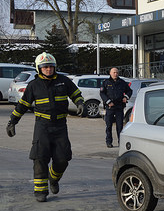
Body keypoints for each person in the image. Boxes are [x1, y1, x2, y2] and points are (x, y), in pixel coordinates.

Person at [5, 52, 84, 202]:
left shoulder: (63, 80)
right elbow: (22, 105)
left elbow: (76, 94)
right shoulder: (33, 86)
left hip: (60, 126)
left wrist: (80, 103)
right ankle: (40, 192)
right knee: (40, 158)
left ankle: (53, 179)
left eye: (51, 67)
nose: (48, 69)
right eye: (45, 67)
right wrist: (12, 121)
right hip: (42, 126)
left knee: (63, 159)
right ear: (39, 68)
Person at [100, 67, 133, 148]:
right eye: (114, 72)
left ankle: (120, 142)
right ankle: (109, 142)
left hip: (119, 107)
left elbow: (130, 91)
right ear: (110, 73)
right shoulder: (106, 82)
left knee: (120, 126)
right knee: (109, 125)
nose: (116, 74)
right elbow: (102, 93)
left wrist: (126, 97)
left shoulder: (122, 82)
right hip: (110, 107)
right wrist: (108, 102)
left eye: (117, 72)